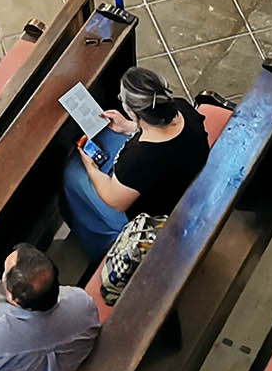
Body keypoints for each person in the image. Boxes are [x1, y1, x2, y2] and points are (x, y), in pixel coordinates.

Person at [62, 66, 214, 263]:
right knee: (109, 137)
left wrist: (90, 166)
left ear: (134, 112)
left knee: (73, 174)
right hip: (185, 176)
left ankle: (102, 246)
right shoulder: (182, 107)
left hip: (157, 212)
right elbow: (161, 132)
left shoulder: (138, 159)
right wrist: (129, 126)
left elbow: (115, 200)